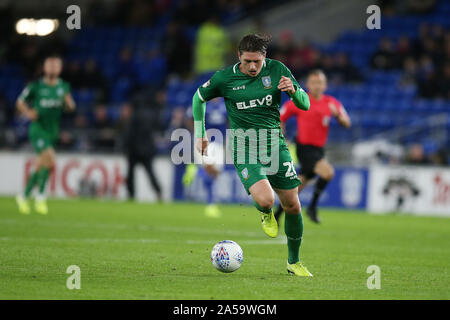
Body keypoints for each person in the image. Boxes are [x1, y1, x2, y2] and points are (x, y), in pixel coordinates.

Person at [192, 34, 312, 276]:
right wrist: (199, 133)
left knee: (292, 204)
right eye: (248, 61)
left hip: (274, 145)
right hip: (244, 146)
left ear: (264, 57)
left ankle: (294, 262)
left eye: (257, 61)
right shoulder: (225, 78)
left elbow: (305, 104)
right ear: (239, 57)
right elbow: (199, 98)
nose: (253, 66)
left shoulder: (278, 70)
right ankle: (265, 212)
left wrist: (293, 92)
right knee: (267, 199)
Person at [274, 69, 351, 224]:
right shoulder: (300, 100)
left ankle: (277, 214)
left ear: (325, 85)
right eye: (314, 82)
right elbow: (280, 116)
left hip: (319, 150)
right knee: (328, 173)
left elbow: (347, 123)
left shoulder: (331, 103)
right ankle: (312, 207)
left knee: (299, 185)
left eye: (320, 83)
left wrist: (337, 115)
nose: (317, 86)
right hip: (304, 147)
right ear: (308, 84)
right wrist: (282, 136)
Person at [15, 55, 76, 214]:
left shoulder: (64, 86)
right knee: (50, 159)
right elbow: (20, 102)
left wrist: (69, 104)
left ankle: (24, 195)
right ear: (45, 68)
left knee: (43, 164)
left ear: (60, 69)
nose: (53, 68)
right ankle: (41, 196)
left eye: (56, 66)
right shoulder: (36, 86)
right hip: (38, 130)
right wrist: (28, 113)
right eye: (50, 65)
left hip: (53, 131)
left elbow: (70, 107)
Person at [183, 97, 228, 218]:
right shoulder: (202, 104)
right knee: (209, 170)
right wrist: (199, 134)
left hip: (219, 143)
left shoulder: (225, 105)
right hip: (204, 142)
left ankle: (196, 170)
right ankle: (211, 204)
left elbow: (231, 121)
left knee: (216, 173)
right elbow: (189, 118)